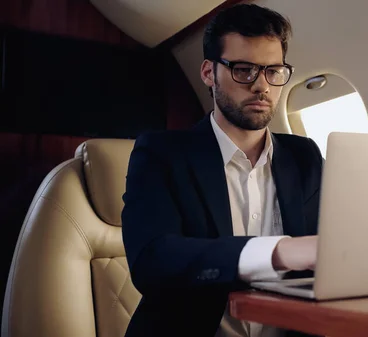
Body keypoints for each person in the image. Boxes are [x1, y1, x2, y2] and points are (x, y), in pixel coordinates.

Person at [121, 4, 323, 337]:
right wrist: (278, 251)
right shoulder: (161, 154)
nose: (262, 86)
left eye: (273, 71)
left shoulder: (306, 157)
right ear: (207, 73)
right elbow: (152, 262)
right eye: (244, 69)